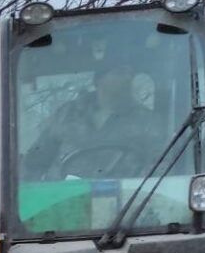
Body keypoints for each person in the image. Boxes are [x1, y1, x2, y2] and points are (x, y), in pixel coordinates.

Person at [23, 62, 157, 179]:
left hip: (129, 200)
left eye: (130, 74)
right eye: (119, 72)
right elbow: (34, 161)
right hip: (62, 199)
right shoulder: (67, 114)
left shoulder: (145, 120)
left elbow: (161, 164)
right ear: (99, 79)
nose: (128, 79)